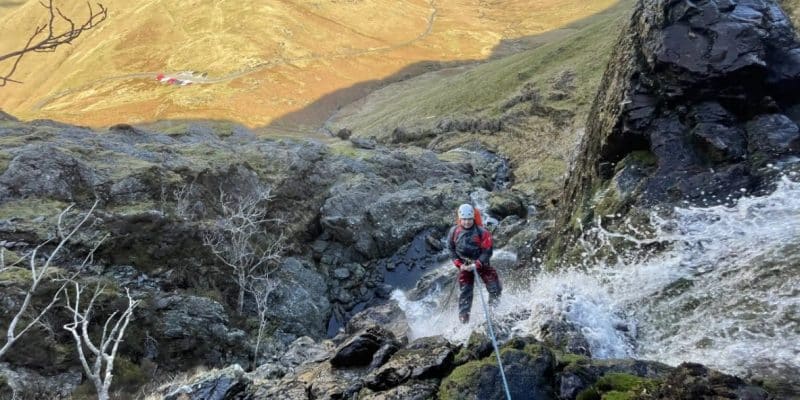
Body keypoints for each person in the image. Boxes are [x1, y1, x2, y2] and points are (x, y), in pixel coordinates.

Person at [447, 203, 502, 324]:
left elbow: (487, 251)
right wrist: (459, 264)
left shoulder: (482, 232)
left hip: (482, 264)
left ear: (473, 218)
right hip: (464, 266)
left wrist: (477, 264)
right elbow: (451, 249)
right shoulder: (454, 232)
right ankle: (464, 320)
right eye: (464, 219)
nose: (467, 222)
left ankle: (494, 312)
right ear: (460, 219)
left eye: (469, 219)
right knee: (465, 293)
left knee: (495, 287)